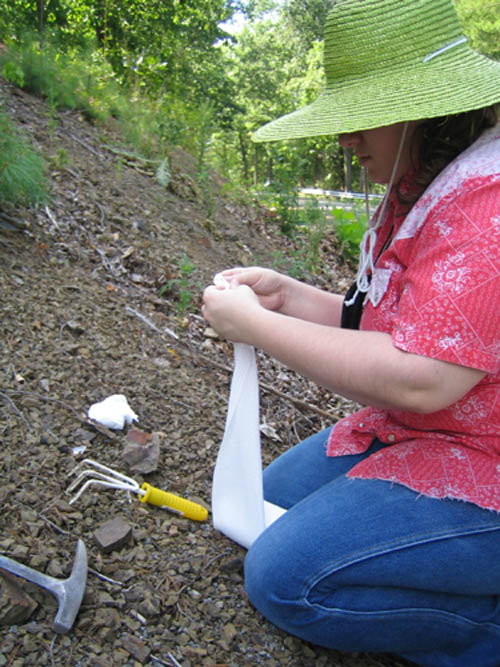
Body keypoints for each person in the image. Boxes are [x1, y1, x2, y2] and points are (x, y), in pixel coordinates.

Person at [202, 0, 500, 664]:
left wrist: (259, 328)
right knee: (262, 503)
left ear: (428, 109)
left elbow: (422, 376)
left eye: (363, 119)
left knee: (283, 575)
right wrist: (284, 297)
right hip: (419, 430)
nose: (346, 140)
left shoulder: (488, 204)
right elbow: (377, 320)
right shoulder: (420, 183)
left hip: (484, 458)